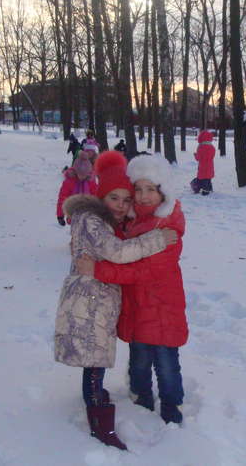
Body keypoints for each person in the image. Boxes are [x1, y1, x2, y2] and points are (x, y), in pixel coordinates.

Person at [54, 150, 178, 451]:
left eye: (126, 199)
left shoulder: (106, 221)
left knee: (95, 360)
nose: (122, 205)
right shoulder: (91, 219)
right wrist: (155, 240)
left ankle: (96, 400)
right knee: (94, 362)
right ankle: (100, 421)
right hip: (88, 305)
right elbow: (118, 253)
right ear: (101, 196)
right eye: (115, 198)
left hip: (98, 304)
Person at [77, 154, 188, 425]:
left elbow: (142, 271)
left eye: (151, 189)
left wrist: (98, 270)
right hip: (136, 307)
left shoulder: (168, 226)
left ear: (164, 191)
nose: (143, 195)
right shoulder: (131, 222)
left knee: (166, 363)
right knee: (138, 359)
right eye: (138, 189)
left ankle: (172, 404)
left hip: (162, 308)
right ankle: (140, 396)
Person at [56, 151, 98, 226]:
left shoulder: (91, 182)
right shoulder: (69, 182)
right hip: (73, 216)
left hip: (88, 217)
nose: (81, 177)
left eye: (84, 174)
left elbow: (96, 198)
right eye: (79, 174)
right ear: (75, 171)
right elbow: (62, 198)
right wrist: (60, 215)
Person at [191, 130, 215, 196]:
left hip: (203, 166)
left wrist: (195, 155)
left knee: (203, 178)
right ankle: (210, 188)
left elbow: (198, 158)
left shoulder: (200, 147)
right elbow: (212, 156)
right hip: (210, 165)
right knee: (208, 177)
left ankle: (205, 190)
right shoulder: (212, 147)